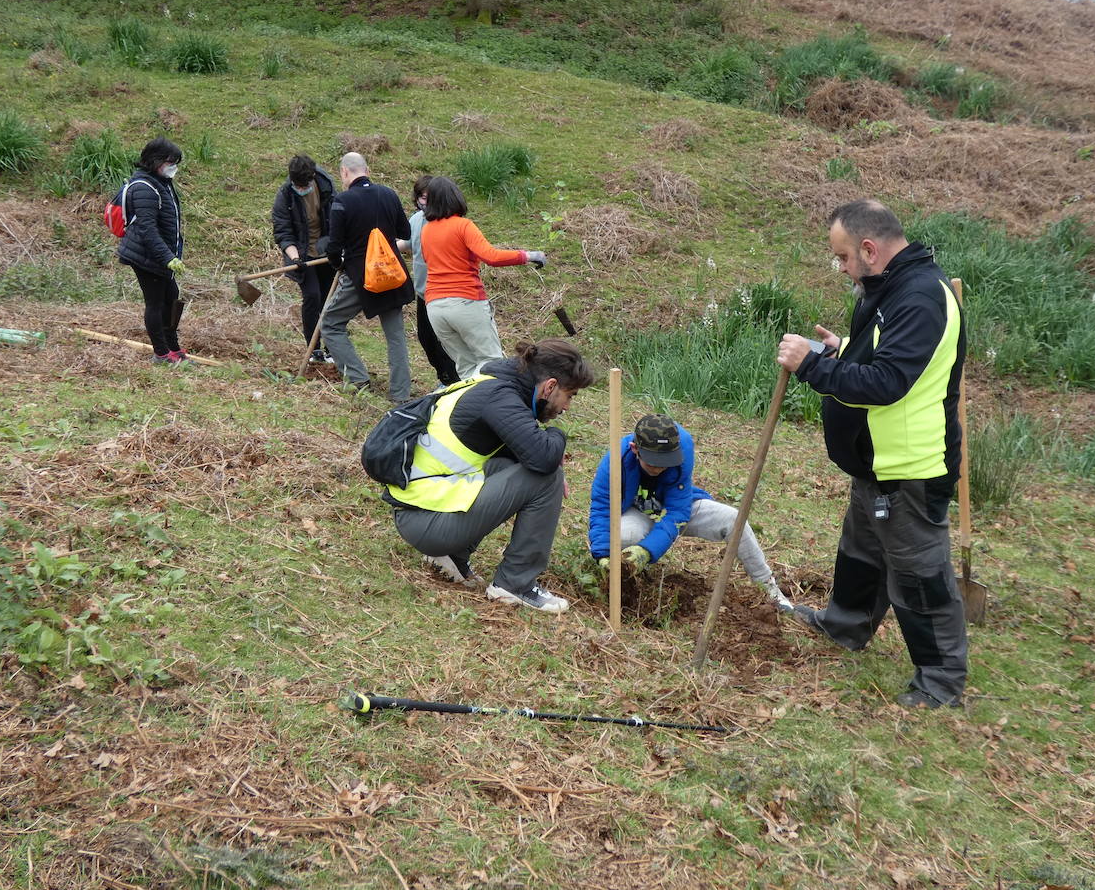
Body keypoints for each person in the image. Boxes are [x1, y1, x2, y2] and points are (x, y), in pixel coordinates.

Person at [776, 198, 967, 710]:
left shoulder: (921, 298)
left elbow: (887, 382)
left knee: (919, 575)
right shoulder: (889, 289)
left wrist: (812, 369)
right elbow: (883, 355)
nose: (841, 268)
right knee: (861, 551)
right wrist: (843, 351)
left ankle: (941, 682)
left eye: (842, 258)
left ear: (869, 248)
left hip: (911, 467)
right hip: (874, 462)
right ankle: (845, 625)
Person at [384, 338, 596, 614]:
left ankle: (452, 556)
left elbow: (524, 454)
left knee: (513, 465)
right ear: (550, 386)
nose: (566, 407)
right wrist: (557, 436)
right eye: (569, 396)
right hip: (425, 521)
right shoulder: (500, 398)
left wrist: (548, 458)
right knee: (546, 478)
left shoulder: (493, 384)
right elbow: (543, 459)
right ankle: (515, 584)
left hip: (422, 510)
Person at [587, 414, 793, 610]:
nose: (659, 468)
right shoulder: (616, 458)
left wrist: (647, 551)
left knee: (733, 519)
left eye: (665, 463)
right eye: (652, 462)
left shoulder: (683, 447)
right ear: (635, 449)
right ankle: (631, 579)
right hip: (638, 511)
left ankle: (769, 587)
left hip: (676, 506)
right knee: (622, 537)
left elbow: (677, 513)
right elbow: (602, 508)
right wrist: (603, 554)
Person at [419, 176, 546, 380]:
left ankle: (474, 408)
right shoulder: (463, 225)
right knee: (491, 362)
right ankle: (497, 408)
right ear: (455, 197)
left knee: (466, 367)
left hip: (435, 307)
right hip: (465, 302)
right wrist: (529, 255)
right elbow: (491, 257)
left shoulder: (426, 231)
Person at [322, 152, 415, 401]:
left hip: (362, 279)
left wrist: (337, 263)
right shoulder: (388, 194)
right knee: (395, 336)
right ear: (367, 170)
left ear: (344, 172)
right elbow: (404, 231)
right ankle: (400, 393)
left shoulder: (342, 201)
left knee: (330, 323)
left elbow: (333, 248)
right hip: (392, 275)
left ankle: (357, 378)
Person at [117, 137, 188, 364]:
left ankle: (173, 347)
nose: (173, 167)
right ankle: (161, 353)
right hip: (146, 256)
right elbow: (147, 230)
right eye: (170, 162)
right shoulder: (144, 187)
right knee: (156, 303)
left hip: (161, 254)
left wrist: (172, 255)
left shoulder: (161, 182)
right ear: (156, 161)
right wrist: (168, 258)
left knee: (172, 297)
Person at [271, 154, 336, 360]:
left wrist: (334, 244)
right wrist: (295, 257)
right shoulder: (285, 195)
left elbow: (337, 217)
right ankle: (314, 348)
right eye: (296, 185)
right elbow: (282, 231)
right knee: (312, 297)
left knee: (328, 300)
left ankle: (332, 347)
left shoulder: (326, 186)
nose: (301, 189)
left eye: (304, 185)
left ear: (313, 177)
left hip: (326, 252)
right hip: (302, 253)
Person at [404, 174, 460, 388]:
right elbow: (408, 243)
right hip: (422, 292)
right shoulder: (416, 219)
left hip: (444, 294)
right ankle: (445, 378)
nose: (424, 202)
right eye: (421, 197)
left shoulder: (446, 223)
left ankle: (453, 382)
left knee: (444, 341)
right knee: (426, 339)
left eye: (429, 197)